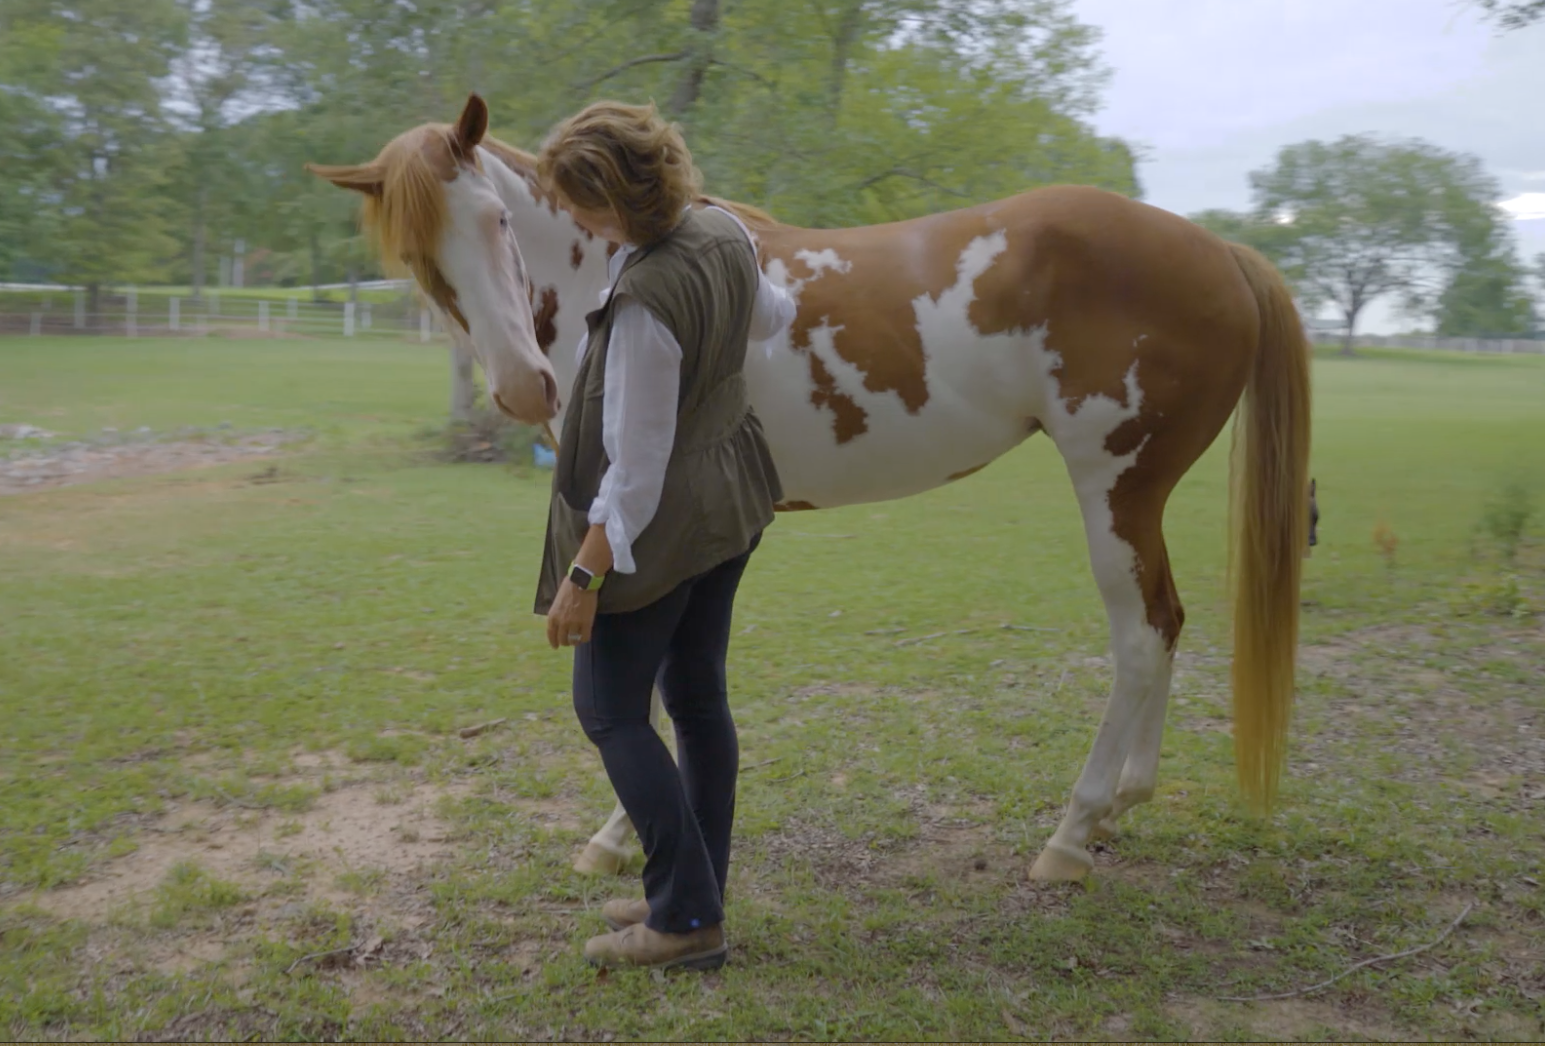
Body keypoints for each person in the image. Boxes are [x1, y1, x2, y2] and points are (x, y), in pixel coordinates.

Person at [531, 101, 796, 971]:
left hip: (670, 521)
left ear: (616, 196)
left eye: (579, 202)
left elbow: (635, 472)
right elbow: (776, 318)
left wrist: (583, 576)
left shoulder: (645, 297)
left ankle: (684, 919)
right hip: (733, 499)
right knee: (695, 699)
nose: (571, 217)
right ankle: (690, 892)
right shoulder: (720, 229)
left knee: (608, 708)